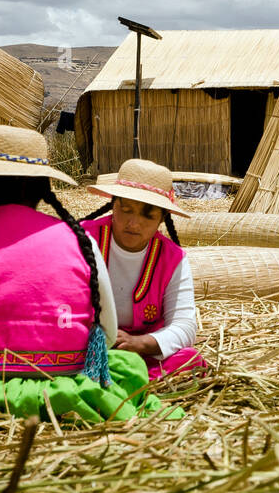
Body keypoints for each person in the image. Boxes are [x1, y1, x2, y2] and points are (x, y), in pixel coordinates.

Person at [0, 126, 182, 423]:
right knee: (127, 367)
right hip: (56, 389)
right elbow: (107, 333)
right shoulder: (79, 241)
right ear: (41, 189)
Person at [81, 158, 207, 380]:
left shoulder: (172, 259)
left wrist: (140, 343)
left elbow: (185, 325)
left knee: (190, 359)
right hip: (83, 347)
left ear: (162, 217)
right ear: (113, 204)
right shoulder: (82, 239)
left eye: (148, 215)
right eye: (126, 209)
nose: (134, 223)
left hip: (140, 355)